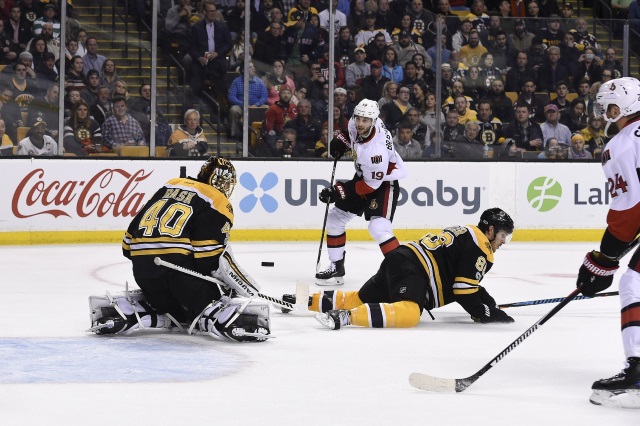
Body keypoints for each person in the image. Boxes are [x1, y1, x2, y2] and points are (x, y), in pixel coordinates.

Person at [89, 156, 270, 342]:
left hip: (144, 274)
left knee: (176, 312)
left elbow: (127, 247)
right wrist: (232, 287)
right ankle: (218, 316)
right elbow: (208, 259)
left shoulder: (169, 186)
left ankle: (142, 309)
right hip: (179, 276)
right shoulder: (217, 201)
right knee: (213, 297)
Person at [293, 208, 515, 330]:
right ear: (491, 229)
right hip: (414, 270)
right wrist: (487, 313)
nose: (503, 241)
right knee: (410, 313)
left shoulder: (467, 231)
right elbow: (463, 290)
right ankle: (345, 318)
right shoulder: (481, 247)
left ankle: (304, 300)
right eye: (503, 235)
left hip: (399, 257)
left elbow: (467, 285)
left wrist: (486, 300)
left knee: (359, 298)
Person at [575, 77, 640, 407]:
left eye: (610, 104)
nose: (604, 110)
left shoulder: (621, 145)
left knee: (634, 283)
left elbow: (628, 215)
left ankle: (637, 367)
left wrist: (603, 261)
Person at [316, 99, 407, 286]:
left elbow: (369, 187)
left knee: (378, 228)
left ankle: (403, 271)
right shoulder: (356, 123)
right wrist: (340, 141)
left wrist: (338, 191)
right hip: (365, 176)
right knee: (335, 219)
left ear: (374, 121)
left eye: (365, 121)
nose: (360, 123)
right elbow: (348, 133)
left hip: (384, 184)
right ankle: (336, 267)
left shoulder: (376, 152)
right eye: (358, 118)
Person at [188, 1, 232, 99]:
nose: (213, 13)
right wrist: (199, 58)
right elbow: (191, 48)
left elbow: (228, 44)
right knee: (193, 86)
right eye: (210, 11)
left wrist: (217, 53)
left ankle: (221, 110)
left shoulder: (222, 27)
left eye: (214, 11)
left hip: (217, 61)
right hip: (201, 63)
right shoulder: (196, 28)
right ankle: (188, 110)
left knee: (221, 88)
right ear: (204, 12)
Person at [227, 62, 268, 140]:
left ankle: (263, 134)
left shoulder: (260, 82)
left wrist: (257, 104)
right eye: (250, 67)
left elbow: (264, 96)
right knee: (233, 110)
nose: (253, 68)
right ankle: (233, 135)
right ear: (243, 70)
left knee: (268, 109)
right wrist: (243, 104)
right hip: (241, 106)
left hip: (256, 106)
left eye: (253, 66)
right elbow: (231, 96)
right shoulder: (236, 81)